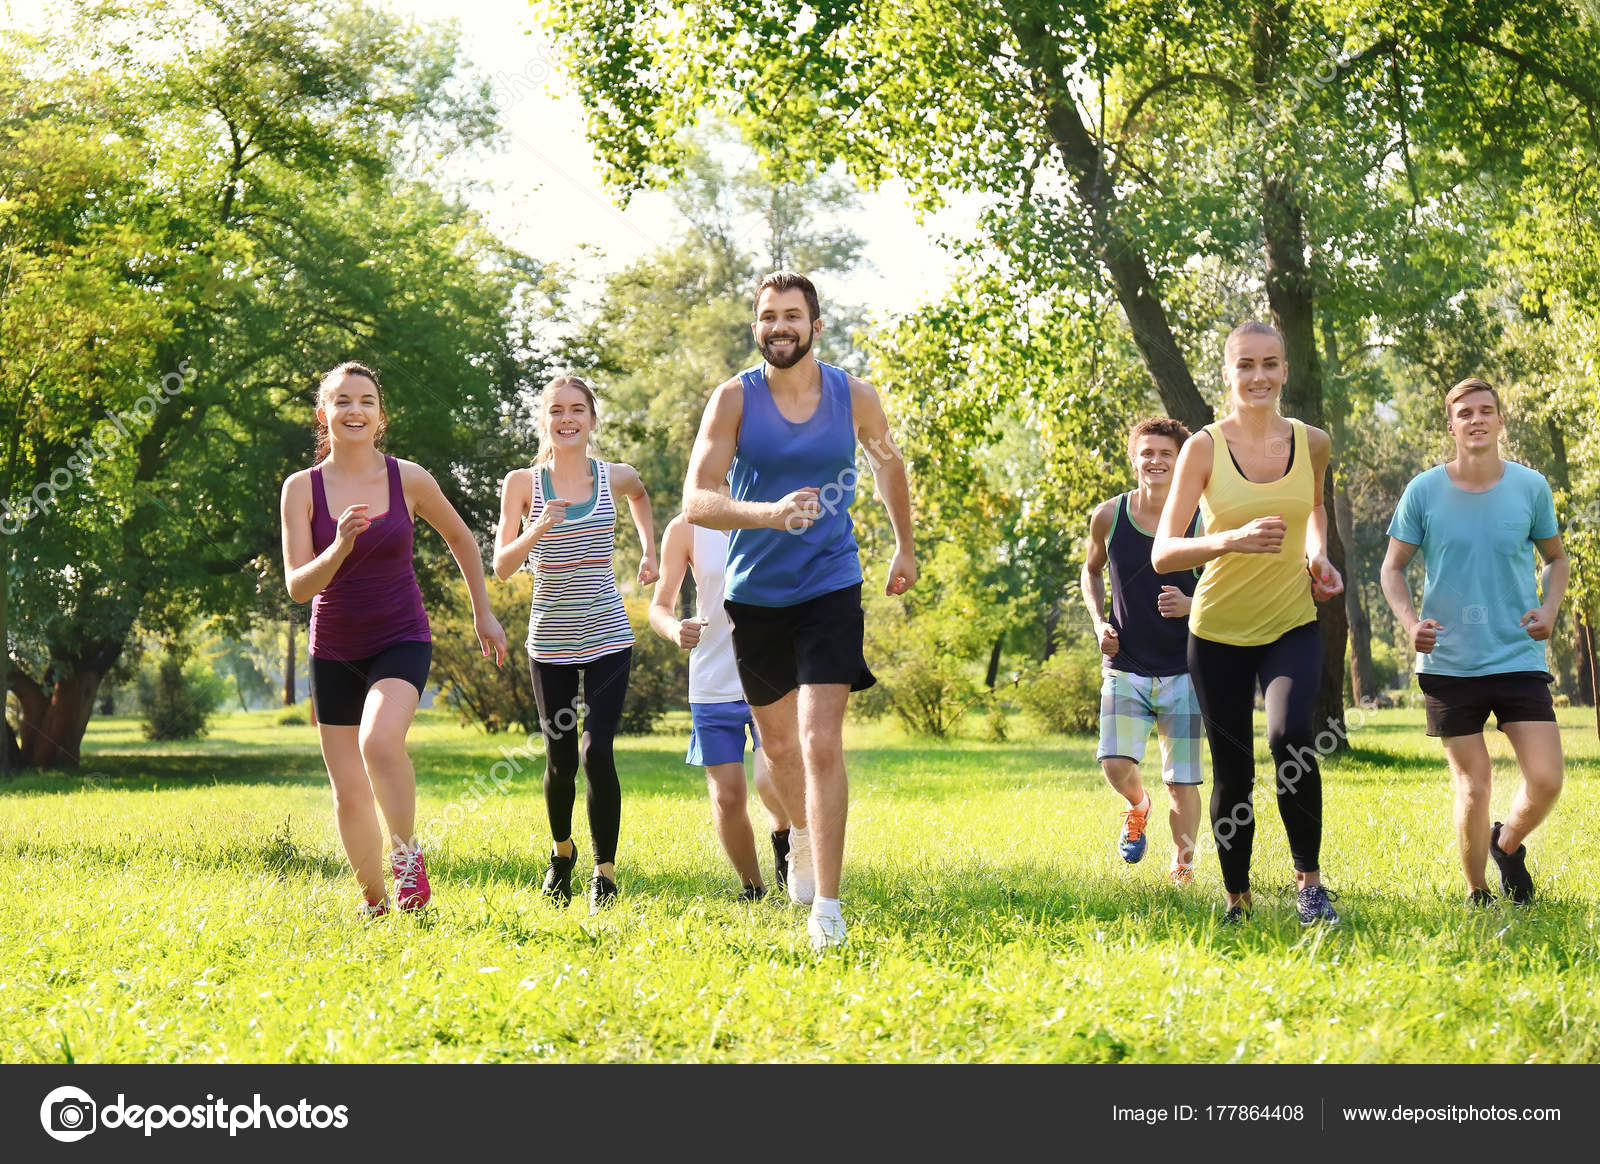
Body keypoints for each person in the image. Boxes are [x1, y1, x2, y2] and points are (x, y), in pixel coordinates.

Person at [683, 270, 916, 951]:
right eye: (768, 316)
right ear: (757, 327)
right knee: (780, 747)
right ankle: (804, 841)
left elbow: (887, 465)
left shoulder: (854, 396)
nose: (779, 325)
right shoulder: (733, 400)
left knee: (819, 742)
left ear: (815, 324)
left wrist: (904, 546)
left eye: (792, 314)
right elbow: (697, 499)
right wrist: (767, 516)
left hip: (830, 583)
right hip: (754, 594)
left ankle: (830, 908)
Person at [281, 361, 508, 918]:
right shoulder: (301, 490)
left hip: (401, 636)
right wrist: (337, 548)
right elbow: (296, 586)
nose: (354, 410)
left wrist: (484, 613)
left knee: (379, 742)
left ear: (381, 416)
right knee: (349, 790)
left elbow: (462, 538)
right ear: (323, 415)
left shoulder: (407, 478)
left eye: (366, 401)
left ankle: (406, 858)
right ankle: (374, 903)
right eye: (342, 401)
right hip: (334, 646)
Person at [1151, 321, 1345, 926]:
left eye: (1269, 364)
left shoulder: (1312, 442)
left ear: (1285, 371)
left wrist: (1318, 554)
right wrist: (1229, 538)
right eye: (1245, 366)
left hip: (1291, 621)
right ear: (1228, 374)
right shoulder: (1203, 449)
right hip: (1217, 634)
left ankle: (1309, 886)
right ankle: (1238, 899)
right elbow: (1163, 552)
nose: (1258, 376)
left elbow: (1313, 507)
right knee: (1233, 772)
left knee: (1291, 741)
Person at [1379, 377, 1567, 905]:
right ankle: (1477, 891)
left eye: (1486, 410)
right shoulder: (1424, 490)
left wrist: (1549, 609)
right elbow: (1392, 570)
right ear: (1452, 425)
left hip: (1516, 654)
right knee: (1474, 785)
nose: (1477, 419)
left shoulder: (1530, 487)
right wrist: (1410, 624)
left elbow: (1556, 559)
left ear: (1500, 420)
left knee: (1547, 778)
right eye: (1465, 413)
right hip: (1450, 663)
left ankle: (1506, 844)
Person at [494, 375, 657, 915]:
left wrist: (650, 551)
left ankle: (604, 874)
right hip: (551, 640)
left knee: (596, 750)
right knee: (561, 759)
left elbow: (641, 494)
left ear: (592, 418)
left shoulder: (615, 476)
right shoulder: (523, 483)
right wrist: (537, 528)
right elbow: (501, 566)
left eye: (578, 410)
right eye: (557, 410)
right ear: (545, 419)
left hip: (609, 633)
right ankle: (561, 853)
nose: (568, 419)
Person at [1080, 417, 1204, 885]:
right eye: (1147, 453)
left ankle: (1183, 865)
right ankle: (1137, 805)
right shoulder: (1109, 516)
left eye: (1165, 454)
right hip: (1125, 663)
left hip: (1187, 668)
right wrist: (1098, 623)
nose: (1155, 461)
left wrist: (1192, 604)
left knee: (1183, 780)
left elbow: (1228, 581)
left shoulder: (1201, 518)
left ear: (1181, 462)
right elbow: (1090, 572)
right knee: (1114, 763)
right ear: (1134, 458)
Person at [649, 511, 793, 899]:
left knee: (770, 779)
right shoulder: (686, 527)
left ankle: (783, 834)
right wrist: (675, 628)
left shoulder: (770, 512)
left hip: (771, 674)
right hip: (712, 681)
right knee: (728, 797)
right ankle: (754, 889)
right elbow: (659, 606)